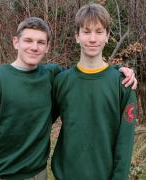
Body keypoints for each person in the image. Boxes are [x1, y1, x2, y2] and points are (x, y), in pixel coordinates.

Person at [0, 17, 136, 180]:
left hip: (39, 172)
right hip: (3, 173)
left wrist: (119, 70)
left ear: (47, 47)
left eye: (41, 42)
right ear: (16, 42)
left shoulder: (52, 76)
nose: (34, 47)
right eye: (28, 40)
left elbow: (91, 74)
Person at [51, 3, 137, 180]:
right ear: (77, 36)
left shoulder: (123, 83)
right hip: (66, 175)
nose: (92, 38)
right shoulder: (62, 80)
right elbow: (39, 123)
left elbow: (125, 141)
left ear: (107, 37)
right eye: (86, 31)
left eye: (99, 32)